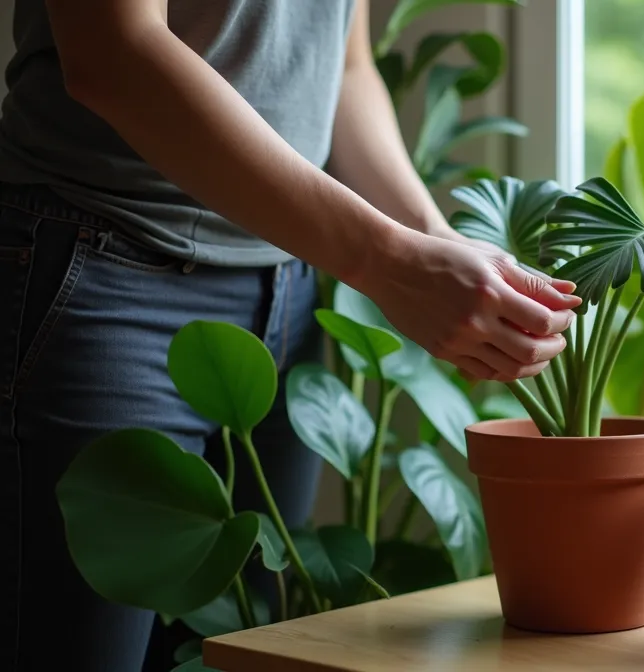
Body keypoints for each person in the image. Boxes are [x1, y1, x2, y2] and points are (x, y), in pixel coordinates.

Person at [0, 1, 579, 669]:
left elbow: (345, 61)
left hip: (285, 290)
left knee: (239, 654)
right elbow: (112, 52)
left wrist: (433, 239)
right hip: (103, 272)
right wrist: (388, 262)